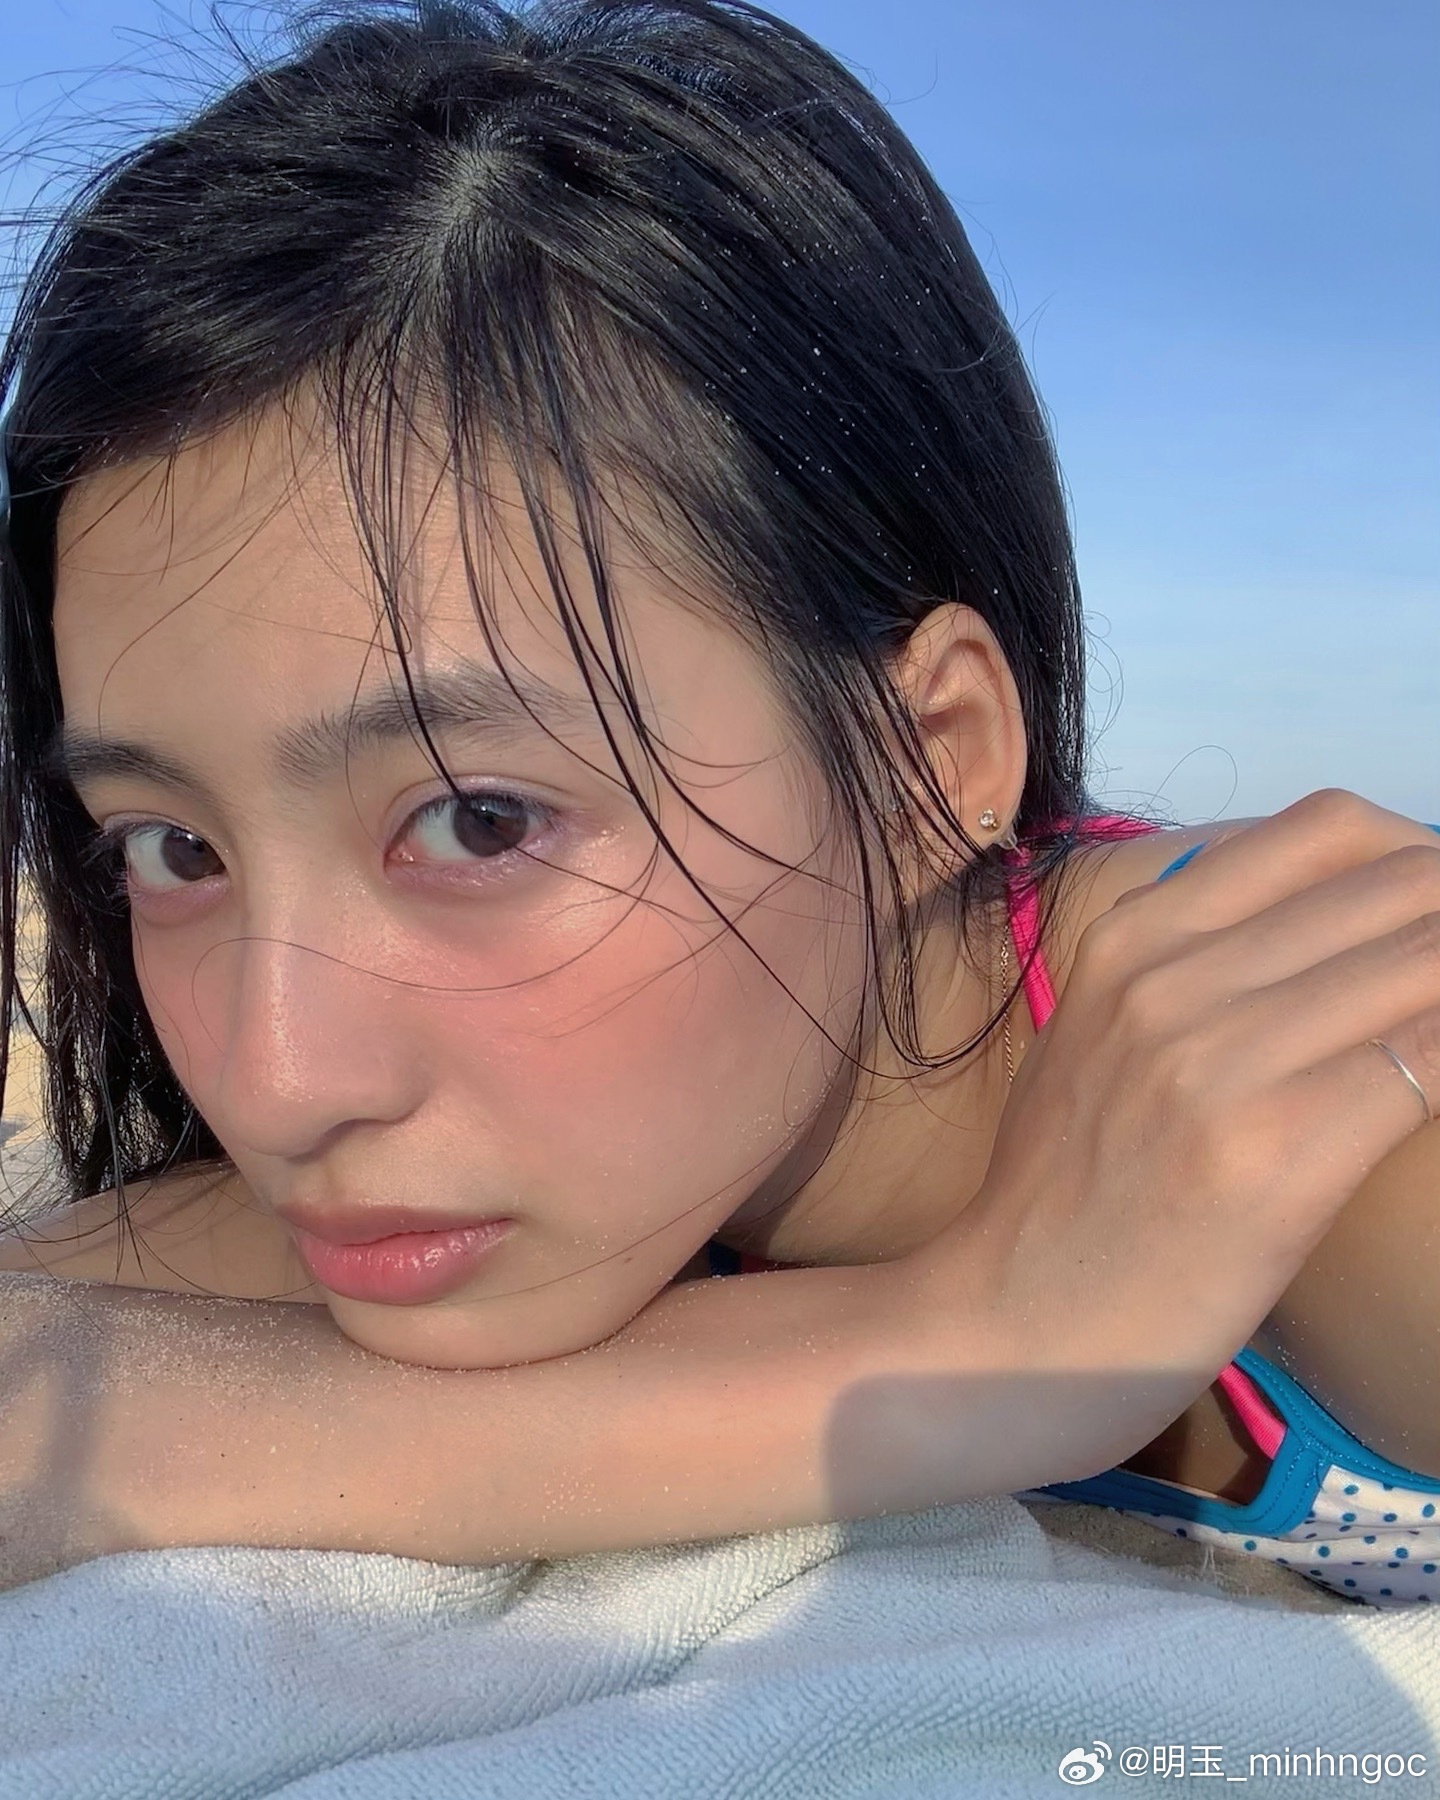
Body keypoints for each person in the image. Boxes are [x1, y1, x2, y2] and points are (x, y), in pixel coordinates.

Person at [0, 0, 1436, 1605]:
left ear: (933, 757)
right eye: (172, 849)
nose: (277, 1085)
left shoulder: (1332, 1107)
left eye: (479, 820)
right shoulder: (585, 1161)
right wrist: (968, 1339)